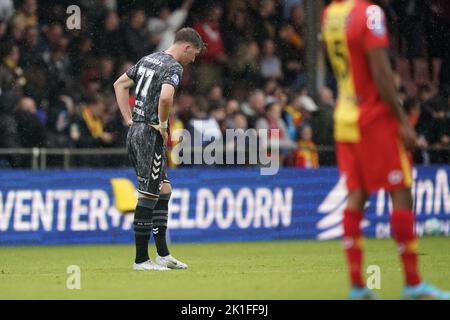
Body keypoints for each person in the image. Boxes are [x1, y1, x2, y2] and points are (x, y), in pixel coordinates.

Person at [322, 0, 450, 299]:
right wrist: (402, 121)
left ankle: (356, 286)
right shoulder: (369, 12)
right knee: (401, 190)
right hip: (373, 119)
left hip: (345, 116)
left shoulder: (331, 15)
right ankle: (413, 283)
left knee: (357, 195)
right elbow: (380, 74)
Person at [113, 27, 204, 271]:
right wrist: (163, 125)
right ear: (186, 47)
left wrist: (129, 119)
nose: (192, 59)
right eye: (193, 54)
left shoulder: (148, 59)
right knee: (149, 194)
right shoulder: (174, 67)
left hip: (136, 131)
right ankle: (141, 259)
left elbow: (120, 84)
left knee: (164, 189)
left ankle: (163, 254)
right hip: (150, 134)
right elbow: (165, 98)